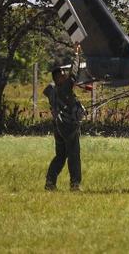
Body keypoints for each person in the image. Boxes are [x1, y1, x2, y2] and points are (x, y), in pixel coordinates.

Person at [44, 62, 87, 191]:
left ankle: (50, 183)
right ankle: (75, 184)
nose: (65, 77)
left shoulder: (52, 90)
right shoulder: (64, 89)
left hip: (58, 127)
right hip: (68, 127)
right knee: (74, 155)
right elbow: (74, 75)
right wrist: (76, 54)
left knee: (60, 156)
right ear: (57, 78)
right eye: (63, 75)